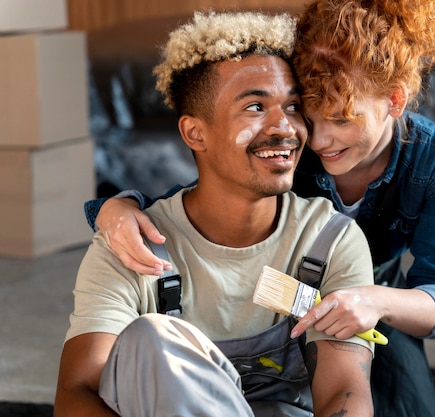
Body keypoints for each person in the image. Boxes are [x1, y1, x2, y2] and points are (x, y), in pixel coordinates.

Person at [85, 0, 435, 415]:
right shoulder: (289, 142)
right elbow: (208, 190)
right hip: (296, 290)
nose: (319, 141)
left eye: (342, 120)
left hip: (382, 294)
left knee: (406, 404)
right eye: (309, 114)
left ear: (394, 101)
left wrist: (375, 301)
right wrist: (116, 208)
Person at [55, 10, 376, 417]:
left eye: (293, 106)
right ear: (195, 133)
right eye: (256, 107)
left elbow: (344, 394)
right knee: (150, 339)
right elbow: (76, 393)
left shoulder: (330, 240)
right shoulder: (131, 246)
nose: (285, 127)